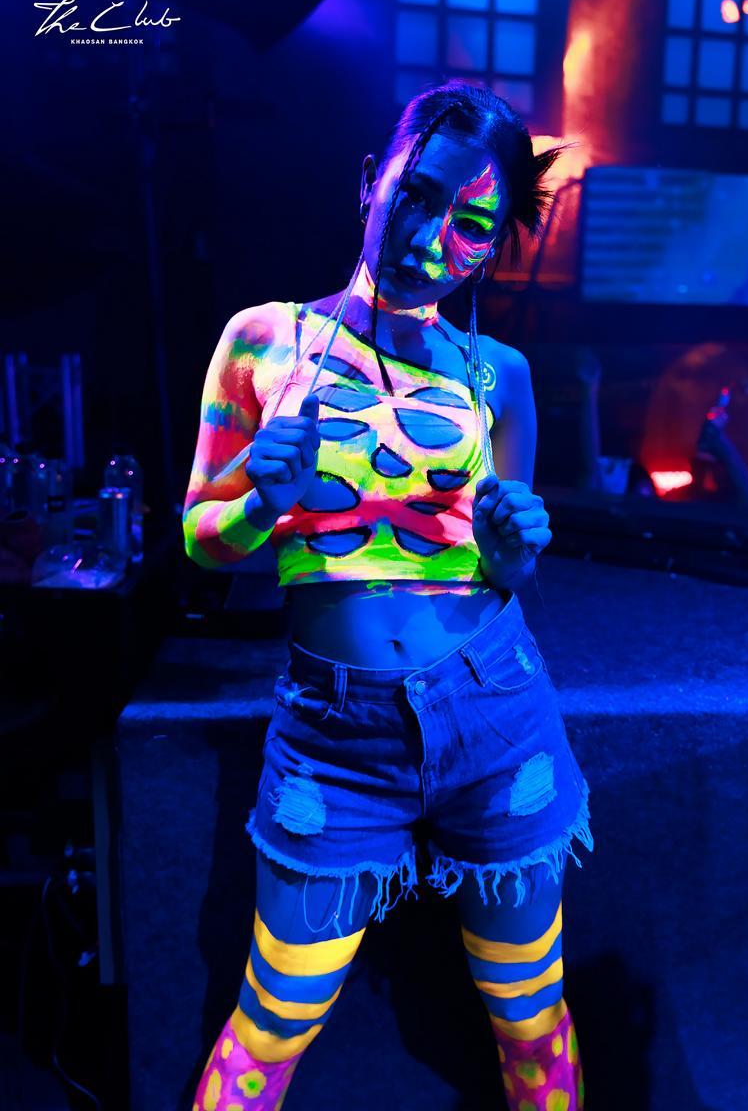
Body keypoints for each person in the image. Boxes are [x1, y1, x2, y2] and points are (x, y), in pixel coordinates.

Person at [183, 79, 594, 1111]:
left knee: (530, 1015)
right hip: (337, 739)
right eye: (417, 195)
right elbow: (202, 540)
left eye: (471, 225)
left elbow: (506, 571)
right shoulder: (262, 340)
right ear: (373, 181)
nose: (428, 239)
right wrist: (259, 502)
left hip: (494, 709)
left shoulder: (500, 374)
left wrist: (512, 545)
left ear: (491, 249)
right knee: (272, 1022)